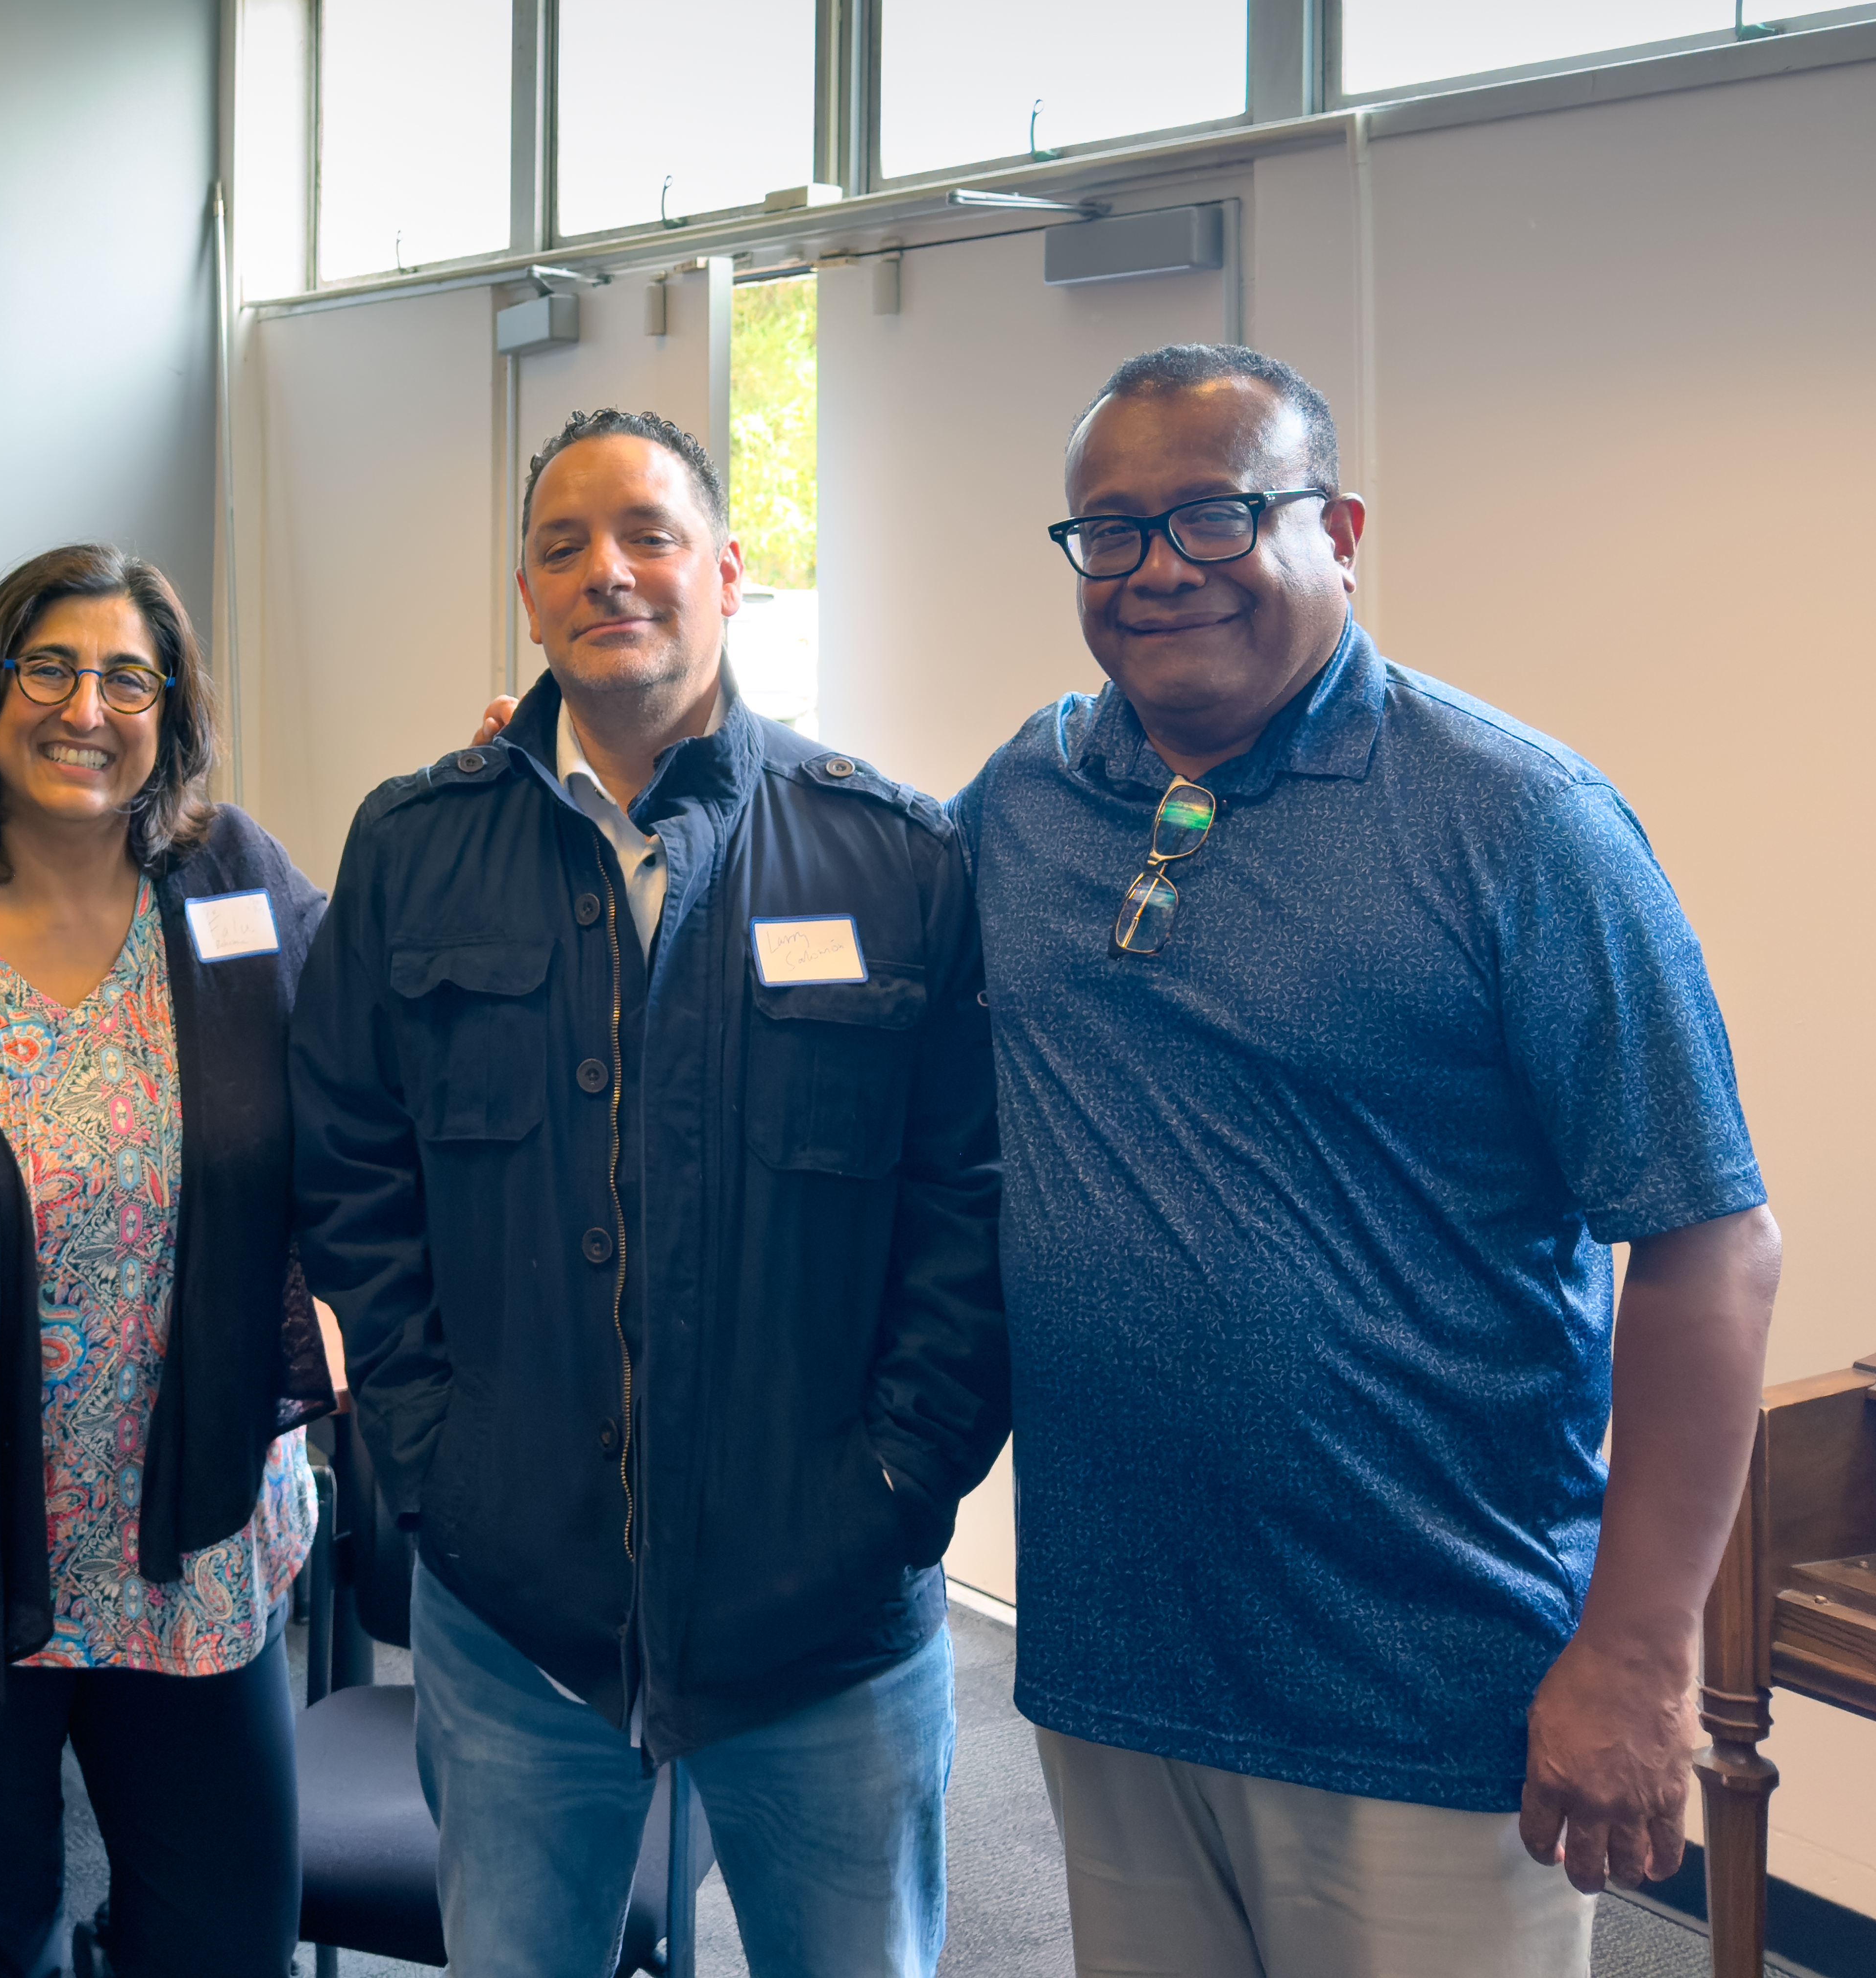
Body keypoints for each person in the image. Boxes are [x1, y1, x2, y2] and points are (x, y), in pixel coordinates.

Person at [961, 343, 1780, 1978]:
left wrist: (1638, 1651)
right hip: (1118, 1666)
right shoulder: (1031, 799)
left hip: (1429, 1687)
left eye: (1213, 515)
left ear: (1336, 528)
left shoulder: (1519, 822)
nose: (1157, 569)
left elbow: (1709, 1244)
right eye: (1107, 533)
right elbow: (808, 901)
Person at [295, 408, 1008, 1978]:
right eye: (563, 545)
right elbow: (350, 1173)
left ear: (729, 573)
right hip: (515, 1620)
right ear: (530, 594)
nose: (607, 571)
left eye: (649, 535)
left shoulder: (887, 854)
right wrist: (430, 1455)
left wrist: (896, 1487)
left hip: (827, 1620)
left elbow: (970, 1206)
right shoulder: (416, 849)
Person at [0, 545, 334, 1978]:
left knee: (222, 1942)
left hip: (195, 1540)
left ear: (172, 714)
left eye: (129, 676)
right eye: (51, 667)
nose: (89, 705)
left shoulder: (241, 888)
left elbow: (390, 1000)